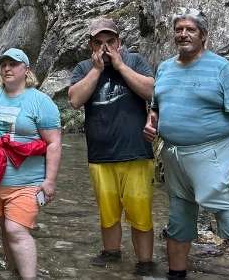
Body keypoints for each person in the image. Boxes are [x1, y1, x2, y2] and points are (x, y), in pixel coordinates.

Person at [143, 9, 229, 280]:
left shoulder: (222, 69)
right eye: (179, 29)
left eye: (190, 29)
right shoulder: (165, 68)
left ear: (203, 35)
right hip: (174, 158)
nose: (183, 34)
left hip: (215, 157)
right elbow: (157, 107)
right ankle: (176, 276)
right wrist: (151, 121)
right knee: (178, 223)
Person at [0, 48, 61, 280]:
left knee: (16, 230)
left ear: (26, 70)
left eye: (13, 64)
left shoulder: (40, 102)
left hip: (28, 182)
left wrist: (50, 180)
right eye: (4, 64)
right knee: (7, 230)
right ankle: (14, 273)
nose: (7, 68)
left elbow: (54, 143)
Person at [67, 17, 156, 274]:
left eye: (110, 41)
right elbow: (74, 100)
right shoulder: (84, 67)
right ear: (90, 45)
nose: (105, 47)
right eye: (98, 42)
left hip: (136, 152)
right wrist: (96, 70)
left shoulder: (134, 60)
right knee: (107, 213)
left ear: (119, 42)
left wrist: (120, 66)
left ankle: (145, 263)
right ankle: (111, 254)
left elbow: (151, 91)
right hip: (100, 156)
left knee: (141, 214)